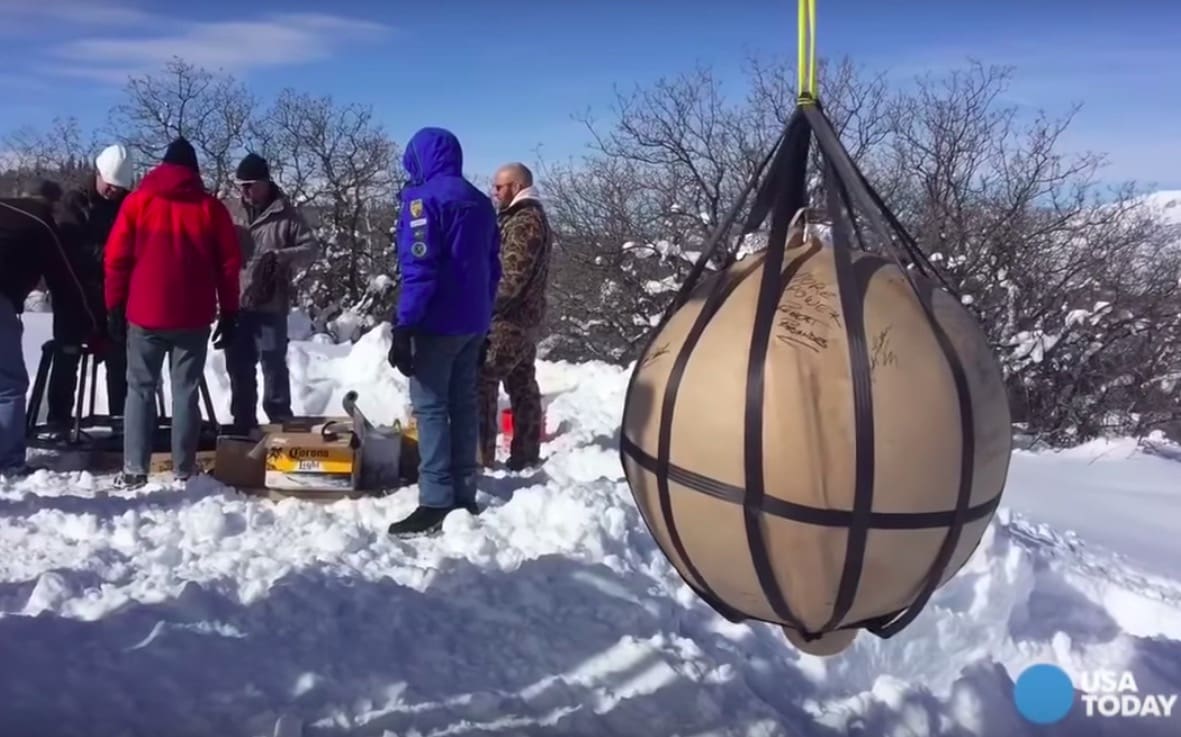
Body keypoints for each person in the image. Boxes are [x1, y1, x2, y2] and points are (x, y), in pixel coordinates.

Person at [104, 137, 241, 489]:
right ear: (194, 171)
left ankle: (135, 468)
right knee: (185, 391)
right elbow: (228, 265)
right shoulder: (210, 209)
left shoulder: (137, 202)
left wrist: (114, 305)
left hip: (145, 312)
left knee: (140, 390)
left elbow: (116, 259)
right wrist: (229, 311)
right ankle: (183, 469)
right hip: (192, 315)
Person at [385, 126, 501, 536]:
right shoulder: (481, 204)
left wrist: (406, 324)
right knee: (464, 404)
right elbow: (492, 269)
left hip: (437, 322)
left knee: (432, 408)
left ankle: (435, 500)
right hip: (473, 322)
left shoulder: (423, 201)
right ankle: (464, 489)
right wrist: (484, 322)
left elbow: (420, 268)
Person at [0, 191, 99, 476]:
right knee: (8, 386)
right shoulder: (42, 224)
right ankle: (9, 464)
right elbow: (65, 283)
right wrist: (90, 326)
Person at [223, 152, 318, 434]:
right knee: (239, 366)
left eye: (250, 184)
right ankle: (243, 422)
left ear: (265, 183)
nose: (244, 190)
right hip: (237, 302)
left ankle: (279, 420)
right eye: (240, 185)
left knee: (273, 363)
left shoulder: (287, 214)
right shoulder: (230, 210)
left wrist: (281, 257)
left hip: (271, 303)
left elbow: (311, 249)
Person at [47, 144, 135, 434]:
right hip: (75, 294)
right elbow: (70, 247)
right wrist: (113, 254)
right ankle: (59, 418)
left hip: (113, 295)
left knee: (118, 355)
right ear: (98, 175)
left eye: (118, 188)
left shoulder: (127, 205)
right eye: (109, 186)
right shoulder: (74, 203)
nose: (113, 192)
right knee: (67, 353)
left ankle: (120, 418)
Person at [479, 162, 553, 470]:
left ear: (517, 185)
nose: (494, 192)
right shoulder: (523, 217)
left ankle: (480, 459)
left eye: (499, 187)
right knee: (522, 385)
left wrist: (483, 308)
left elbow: (511, 278)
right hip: (523, 318)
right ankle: (525, 456)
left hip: (508, 321)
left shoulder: (525, 221)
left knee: (480, 379)